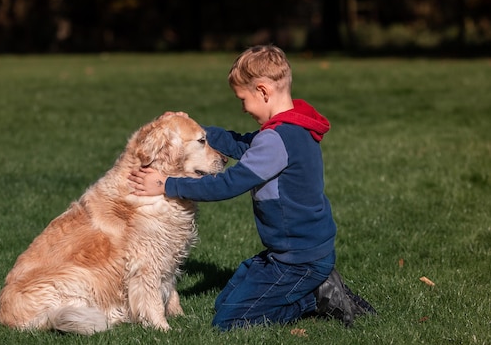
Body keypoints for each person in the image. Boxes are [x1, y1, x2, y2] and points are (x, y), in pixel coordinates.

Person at [129, 45, 375, 330]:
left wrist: (167, 184)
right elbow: (244, 144)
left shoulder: (276, 140)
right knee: (225, 301)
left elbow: (227, 184)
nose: (243, 107)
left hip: (297, 259)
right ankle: (314, 284)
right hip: (296, 251)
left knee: (230, 321)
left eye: (243, 99)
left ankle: (317, 297)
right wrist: (191, 128)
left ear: (263, 91)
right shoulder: (293, 127)